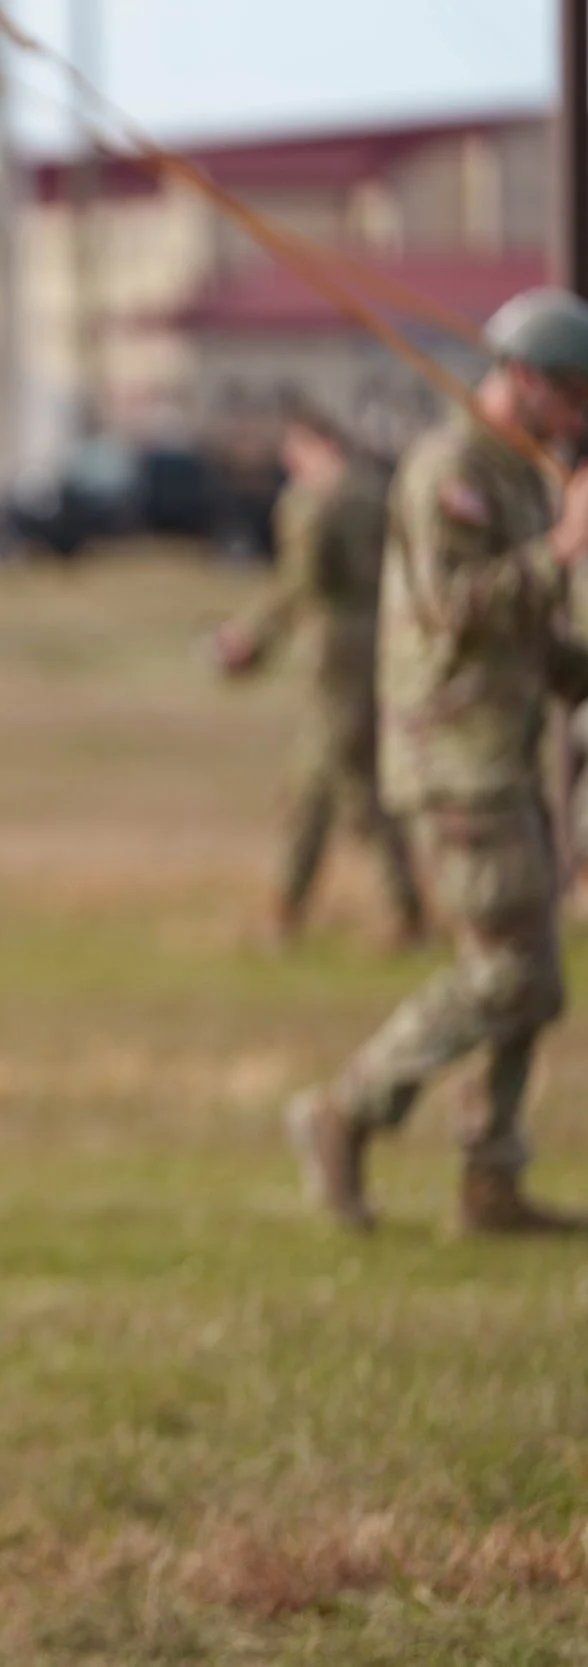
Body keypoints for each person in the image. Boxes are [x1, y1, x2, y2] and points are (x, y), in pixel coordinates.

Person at [289, 287, 588, 1235]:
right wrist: (567, 546)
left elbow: (527, 633)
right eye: (574, 393)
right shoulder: (451, 469)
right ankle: (346, 1110)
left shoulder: (513, 472)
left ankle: (489, 1180)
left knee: (532, 974)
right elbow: (460, 606)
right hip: (454, 755)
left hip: (502, 750)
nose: (582, 414)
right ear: (526, 380)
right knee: (509, 973)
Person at [214, 397, 425, 949]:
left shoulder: (313, 502)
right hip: (381, 648)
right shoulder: (378, 493)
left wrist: (250, 638)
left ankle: (291, 912)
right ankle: (397, 910)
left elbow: (298, 585)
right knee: (354, 787)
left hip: (333, 658)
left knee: (322, 789)